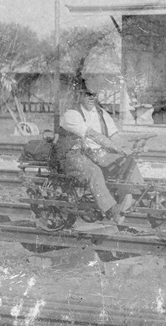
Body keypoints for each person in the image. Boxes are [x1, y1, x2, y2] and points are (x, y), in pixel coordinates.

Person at [55, 84, 143, 224]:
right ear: (80, 95)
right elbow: (92, 134)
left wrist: (126, 147)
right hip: (72, 154)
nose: (91, 98)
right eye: (87, 94)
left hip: (94, 153)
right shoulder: (71, 114)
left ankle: (137, 196)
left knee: (127, 161)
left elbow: (114, 136)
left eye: (94, 95)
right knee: (93, 172)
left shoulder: (102, 113)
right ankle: (112, 211)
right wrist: (116, 148)